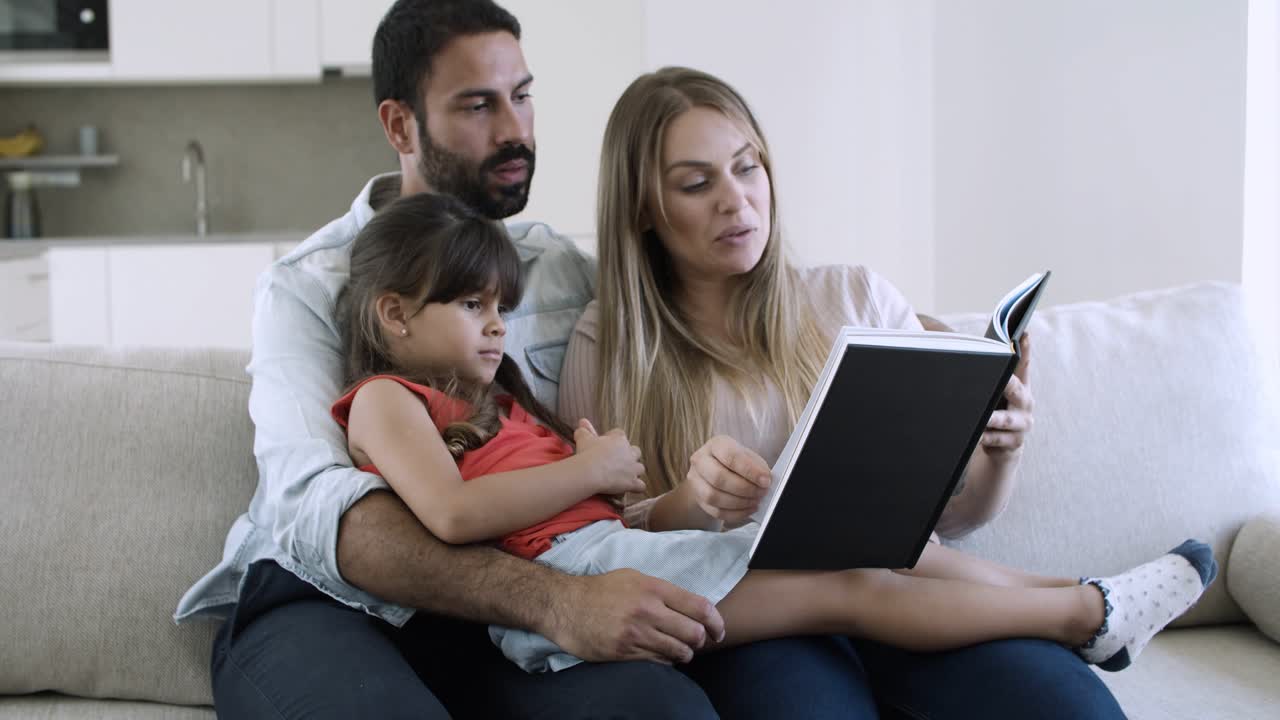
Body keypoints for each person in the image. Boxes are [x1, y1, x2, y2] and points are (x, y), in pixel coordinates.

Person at [331, 189, 1215, 682]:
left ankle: (1074, 588)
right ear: (394, 313)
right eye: (472, 306)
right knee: (852, 585)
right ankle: (1082, 616)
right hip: (578, 591)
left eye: (502, 308)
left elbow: (610, 520)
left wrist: (636, 492)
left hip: (617, 555)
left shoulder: (504, 404)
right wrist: (588, 468)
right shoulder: (385, 400)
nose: (496, 328)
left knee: (875, 548)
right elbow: (450, 515)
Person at [559, 65, 1175, 718]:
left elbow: (951, 519)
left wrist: (1000, 453)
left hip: (919, 598)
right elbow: (595, 547)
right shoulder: (609, 346)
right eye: (695, 183)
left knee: (1070, 709)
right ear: (646, 210)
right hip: (767, 630)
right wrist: (692, 503)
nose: (736, 201)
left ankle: (1084, 608)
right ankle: (1079, 599)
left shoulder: (856, 298)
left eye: (747, 167)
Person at [173, 3, 730, 717]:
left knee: (663, 709)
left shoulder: (561, 272)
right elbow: (324, 515)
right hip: (331, 605)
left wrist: (884, 319)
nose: (513, 131)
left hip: (513, 615)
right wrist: (556, 601)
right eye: (477, 105)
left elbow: (708, 310)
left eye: (522, 97)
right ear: (400, 126)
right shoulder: (312, 285)